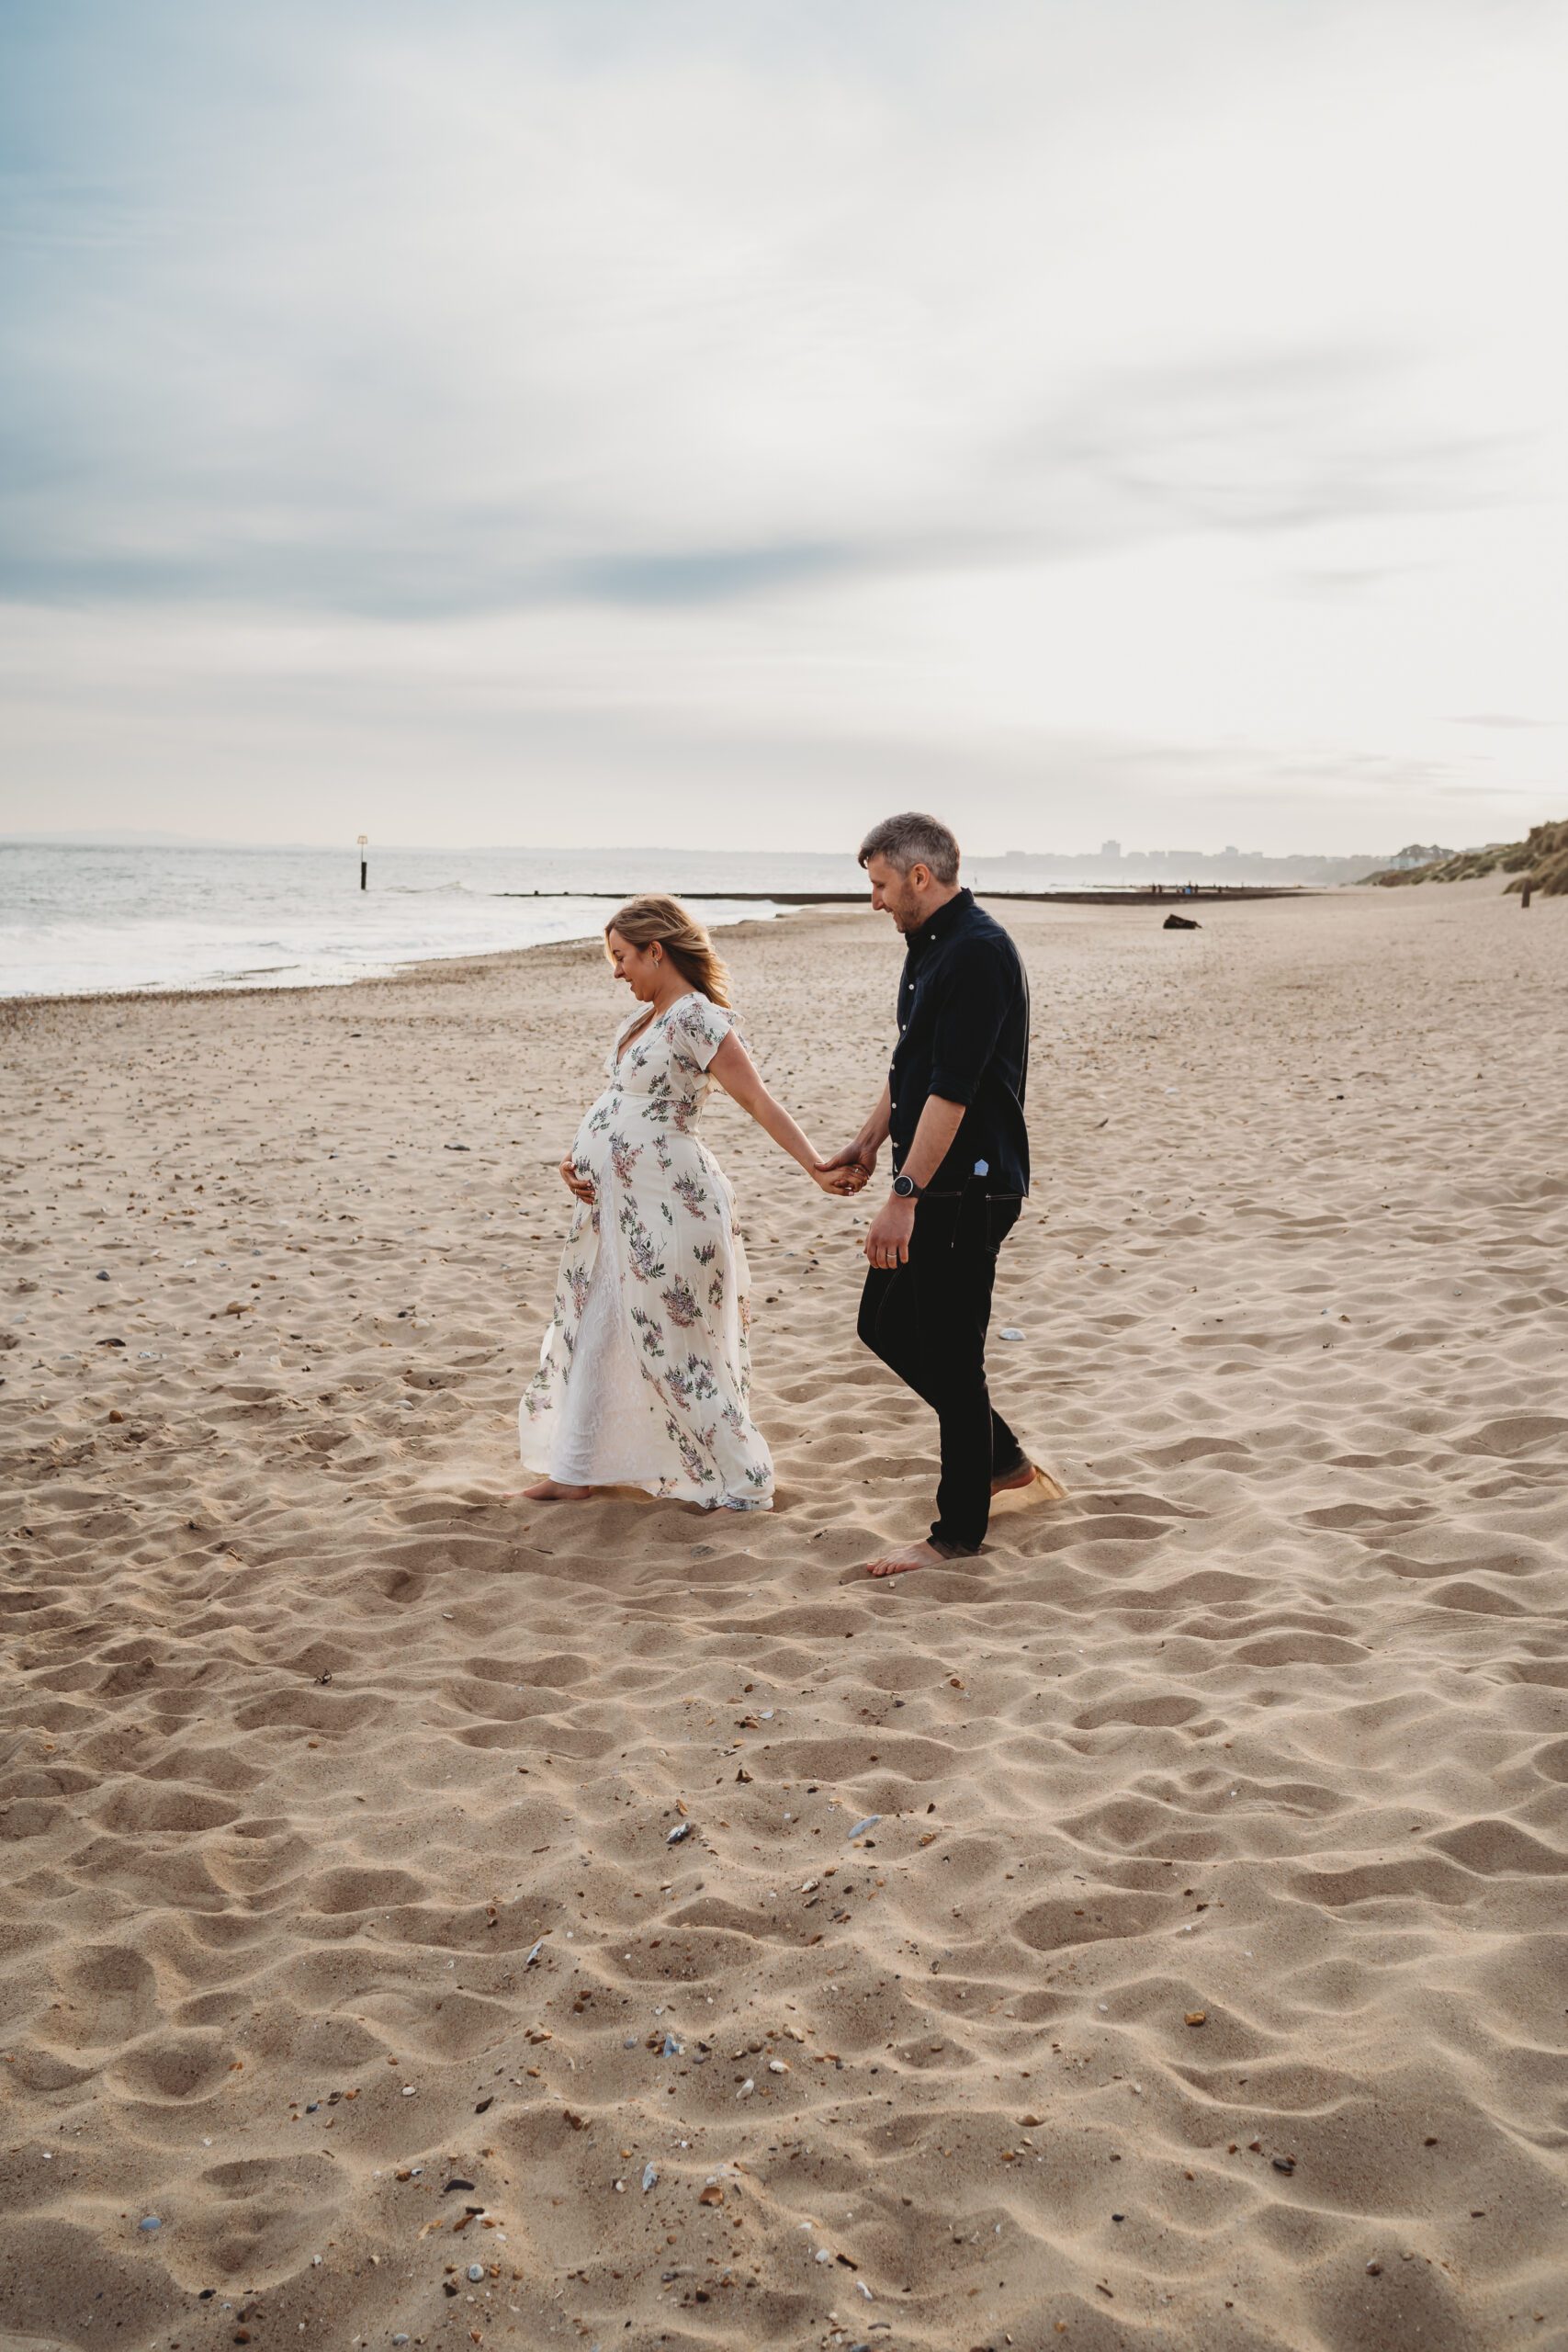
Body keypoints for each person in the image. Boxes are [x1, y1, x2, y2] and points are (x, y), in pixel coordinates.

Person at [520, 896, 863, 1510]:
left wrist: (814, 1166)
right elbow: (619, 1105)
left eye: (623, 957)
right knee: (597, 1327)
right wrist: (574, 1163)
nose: (616, 971)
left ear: (657, 950)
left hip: (669, 1206)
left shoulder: (696, 1018)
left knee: (675, 1345)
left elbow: (757, 1100)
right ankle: (573, 1470)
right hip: (612, 1209)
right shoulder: (639, 1022)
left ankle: (744, 1482)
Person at [821, 813, 1062, 1576]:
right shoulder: (928, 947)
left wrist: (903, 1194)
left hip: (968, 1187)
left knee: (954, 1358)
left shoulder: (978, 953)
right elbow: (911, 1072)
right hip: (934, 1183)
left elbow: (952, 1096)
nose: (875, 902)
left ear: (919, 877)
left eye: (881, 885)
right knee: (883, 1324)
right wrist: (866, 1142)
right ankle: (1003, 1461)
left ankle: (956, 1533)